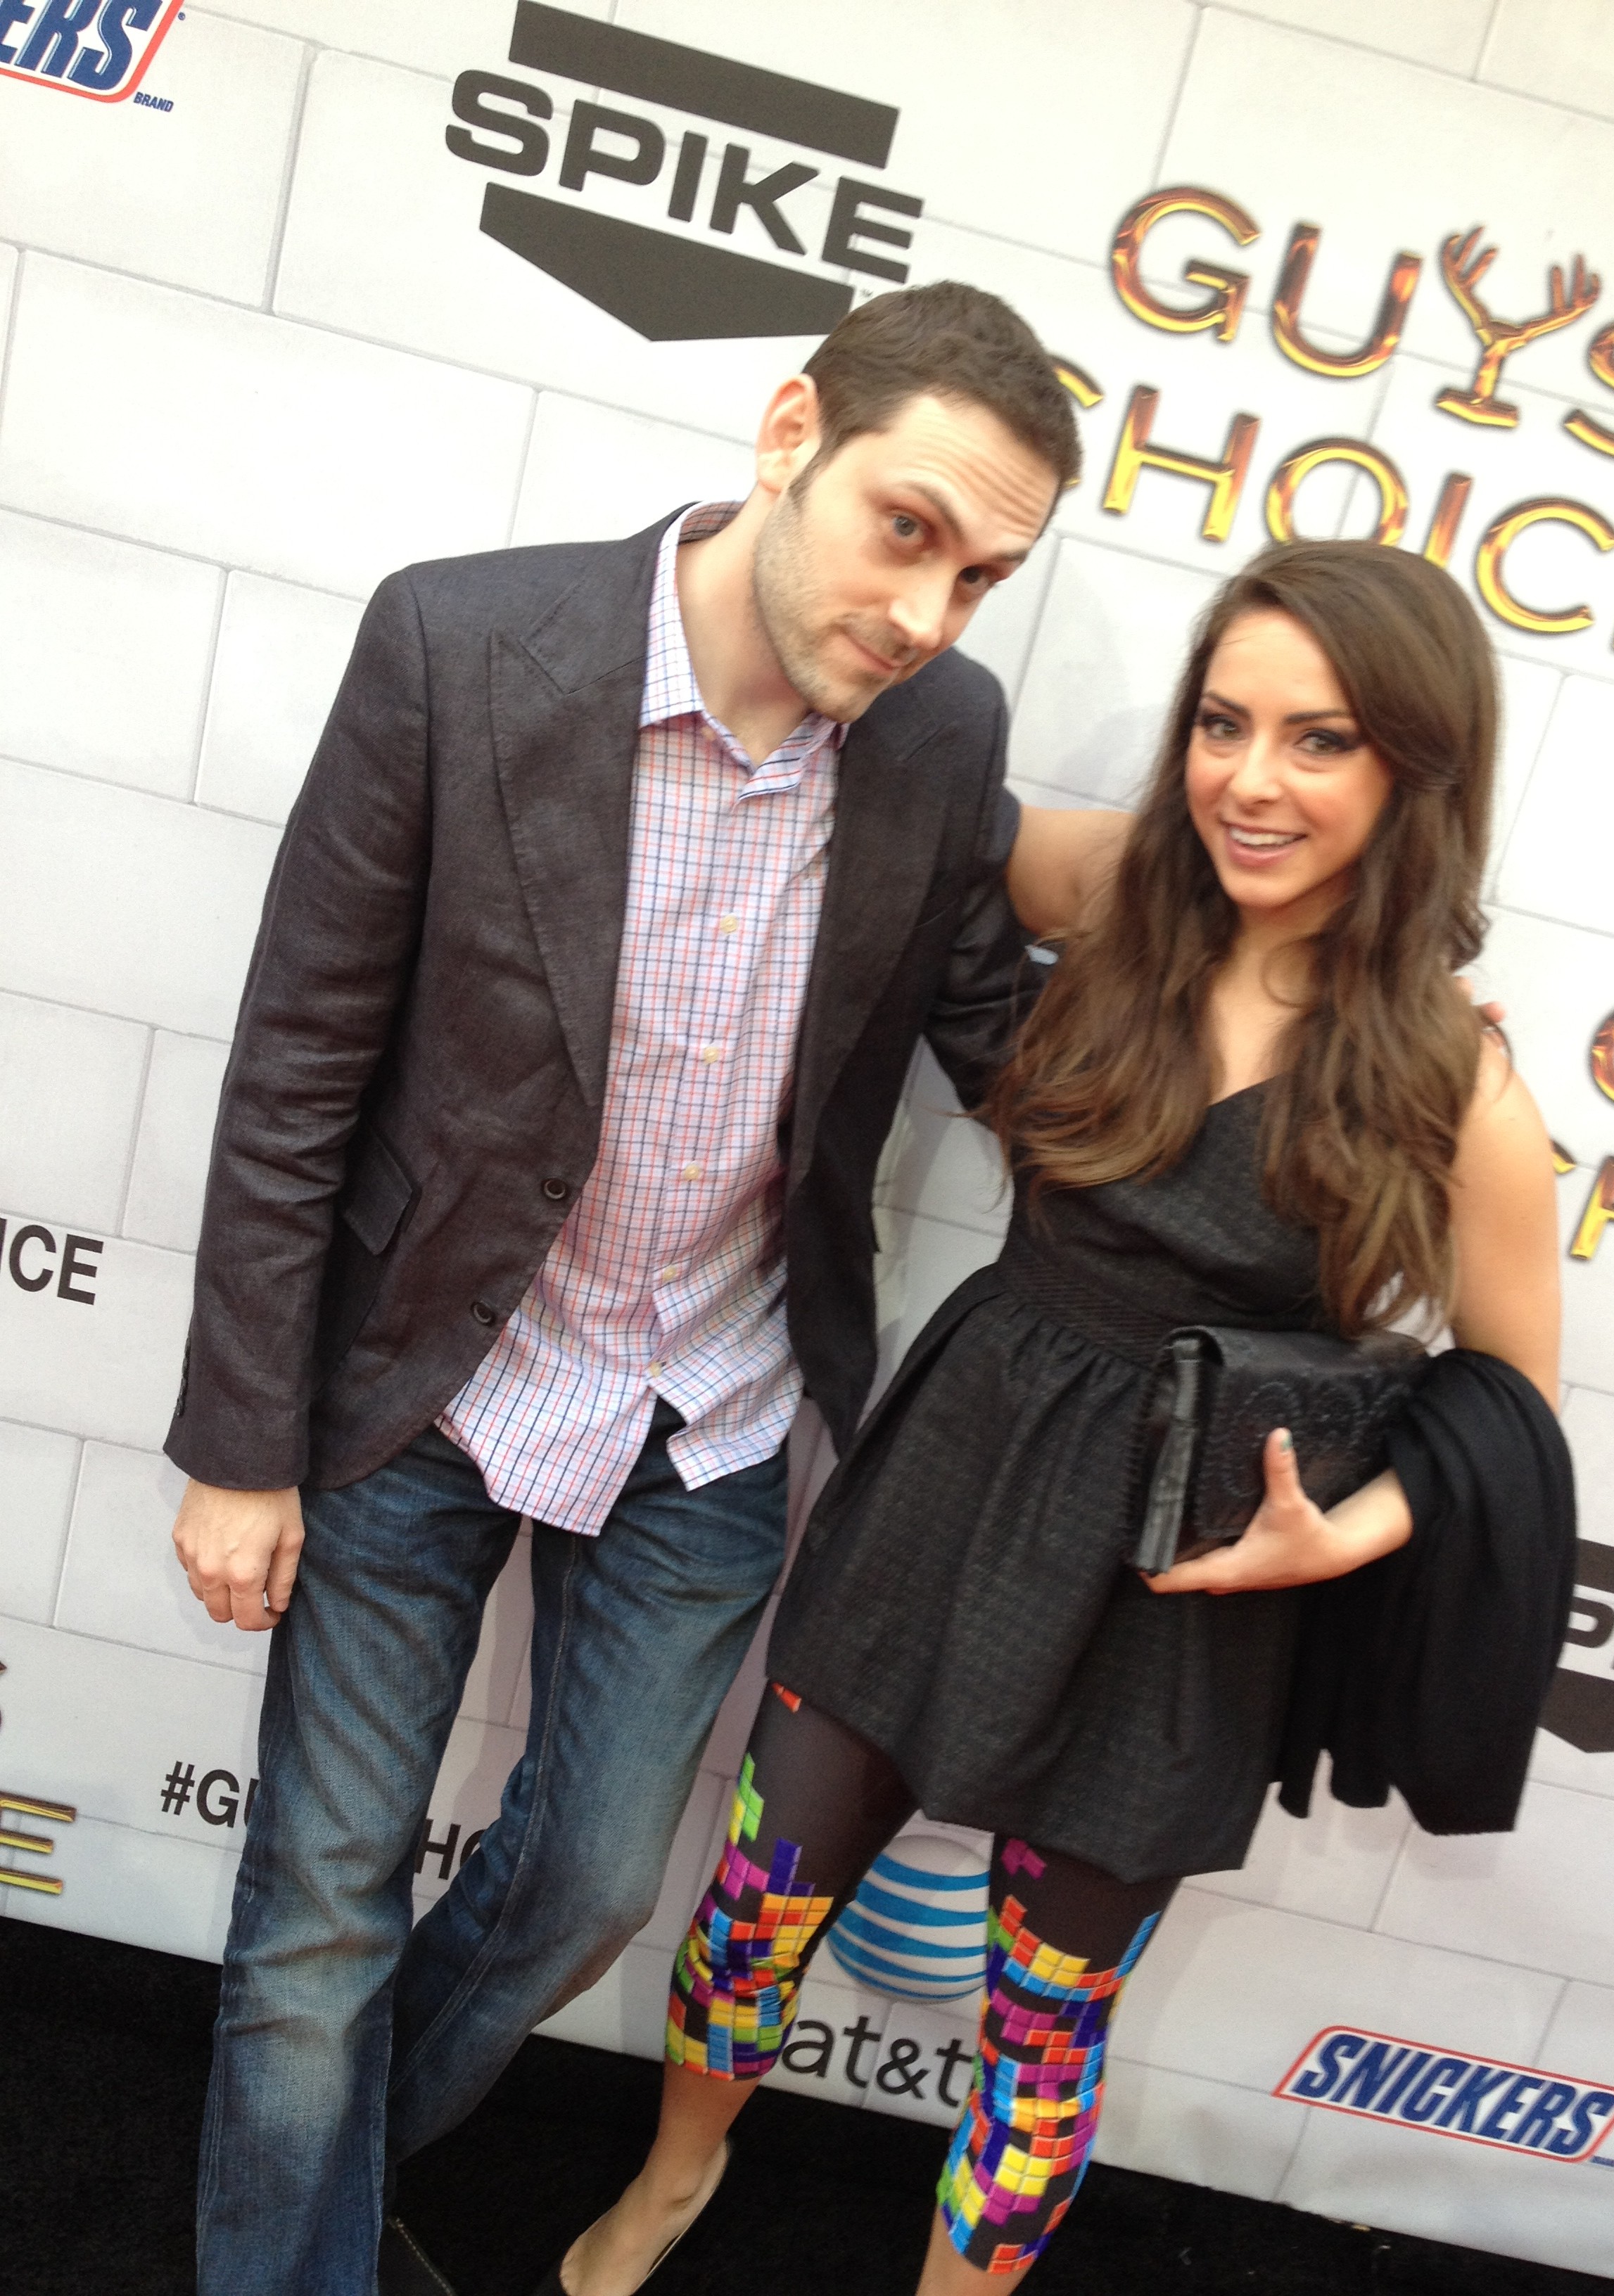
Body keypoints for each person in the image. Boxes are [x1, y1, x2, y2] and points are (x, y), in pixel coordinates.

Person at [164, 280, 1086, 2296]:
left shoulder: (940, 734)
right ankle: (291, 2246)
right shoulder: (462, 643)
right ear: (792, 435)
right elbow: (298, 1063)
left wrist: (1295, 1056)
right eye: (908, 530)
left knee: (588, 1888)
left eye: (983, 577)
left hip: (714, 1404)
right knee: (318, 1912)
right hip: (426, 1378)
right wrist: (240, 1447)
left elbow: (995, 1039)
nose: (929, 613)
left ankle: (301, 2174)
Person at [545, 540, 1567, 2295]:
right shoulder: (1122, 888)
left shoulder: (1457, 1084)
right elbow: (929, 809)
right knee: (754, 1910)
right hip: (962, 1471)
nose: (1252, 782)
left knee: (1044, 2027)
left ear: (1419, 767)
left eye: (1320, 740)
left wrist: (1341, 1535)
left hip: (1184, 1586)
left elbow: (1510, 1408)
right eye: (1224, 724)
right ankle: (678, 2177)